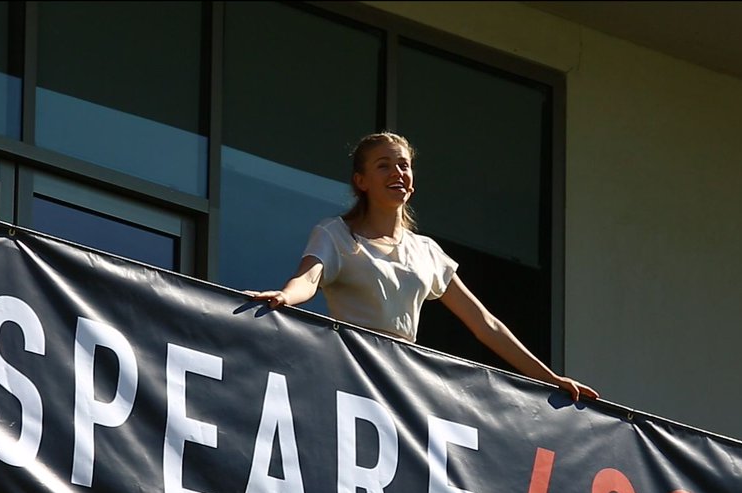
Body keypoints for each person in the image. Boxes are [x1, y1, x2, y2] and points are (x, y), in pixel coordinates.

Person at [253, 131, 598, 403]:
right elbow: (309, 277)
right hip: (351, 374)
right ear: (362, 181)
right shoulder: (336, 234)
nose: (397, 173)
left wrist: (549, 378)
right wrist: (284, 296)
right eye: (384, 165)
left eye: (403, 165)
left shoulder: (426, 252)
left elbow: (485, 324)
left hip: (404, 382)